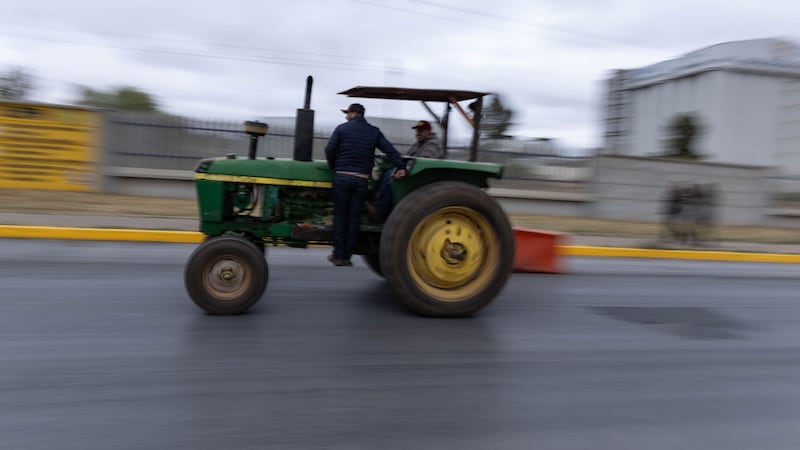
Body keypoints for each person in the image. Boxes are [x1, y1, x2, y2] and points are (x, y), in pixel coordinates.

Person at [324, 103, 407, 266]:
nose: (346, 116)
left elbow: (329, 150)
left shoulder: (342, 129)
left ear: (354, 113)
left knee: (341, 216)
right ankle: (347, 256)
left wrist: (335, 167)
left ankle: (337, 255)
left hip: (342, 177)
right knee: (354, 217)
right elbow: (389, 150)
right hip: (361, 179)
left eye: (347, 113)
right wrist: (401, 166)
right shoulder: (373, 131)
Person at [373, 120, 444, 220]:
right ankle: (378, 204)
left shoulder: (432, 145)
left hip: (421, 177)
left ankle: (380, 212)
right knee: (384, 170)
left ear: (429, 131)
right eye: (417, 130)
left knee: (390, 177)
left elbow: (424, 161)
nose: (418, 133)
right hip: (413, 172)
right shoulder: (418, 144)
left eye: (421, 131)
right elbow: (406, 157)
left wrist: (403, 169)